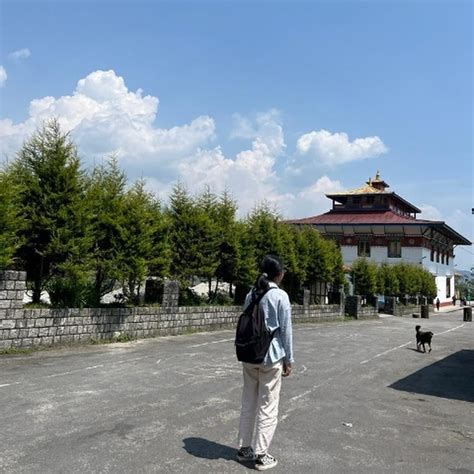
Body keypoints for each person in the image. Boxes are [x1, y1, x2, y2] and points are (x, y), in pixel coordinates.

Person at [236, 255, 294, 471]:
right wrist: (289, 359)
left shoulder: (251, 294)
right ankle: (262, 455)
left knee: (248, 401)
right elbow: (286, 330)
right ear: (279, 274)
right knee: (268, 405)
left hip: (249, 355)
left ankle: (244, 449)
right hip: (271, 357)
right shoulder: (280, 296)